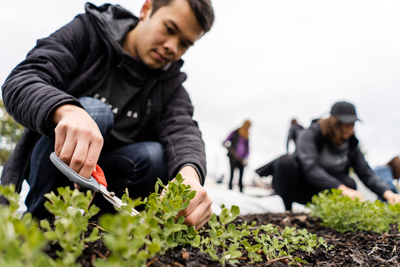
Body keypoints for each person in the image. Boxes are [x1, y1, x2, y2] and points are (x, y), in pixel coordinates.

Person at [0, 0, 214, 229]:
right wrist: (68, 110)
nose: (172, 47)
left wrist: (189, 178)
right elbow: (22, 80)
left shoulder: (170, 84)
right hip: (56, 162)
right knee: (95, 112)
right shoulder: (89, 31)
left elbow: (183, 130)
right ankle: (40, 222)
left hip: (110, 177)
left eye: (184, 43)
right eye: (170, 29)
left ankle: (100, 228)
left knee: (155, 156)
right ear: (146, 9)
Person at [256, 101, 400, 210]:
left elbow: (365, 172)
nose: (351, 127)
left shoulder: (351, 143)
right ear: (334, 122)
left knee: (350, 183)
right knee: (284, 162)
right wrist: (341, 188)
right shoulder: (310, 134)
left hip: (320, 193)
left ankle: (327, 215)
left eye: (353, 123)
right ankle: (288, 212)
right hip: (298, 187)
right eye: (346, 122)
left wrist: (387, 193)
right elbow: (310, 167)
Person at [223, 120, 251, 193]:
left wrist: (245, 158)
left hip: (242, 159)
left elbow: (247, 148)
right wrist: (229, 148)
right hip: (233, 157)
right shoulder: (235, 132)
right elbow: (225, 141)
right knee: (232, 173)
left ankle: (241, 191)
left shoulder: (246, 136)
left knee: (241, 176)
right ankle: (229, 190)